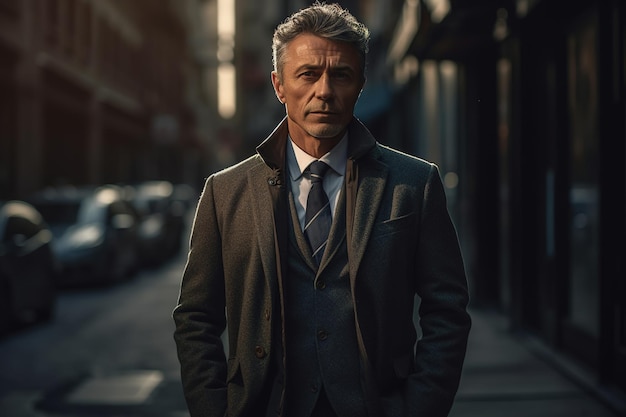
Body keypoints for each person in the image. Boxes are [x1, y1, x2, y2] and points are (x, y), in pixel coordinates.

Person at [173, 2, 471, 417]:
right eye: (308, 74)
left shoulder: (414, 184)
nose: (325, 91)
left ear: (361, 83)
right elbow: (195, 319)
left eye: (341, 75)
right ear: (279, 85)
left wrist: (420, 407)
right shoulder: (225, 193)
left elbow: (448, 310)